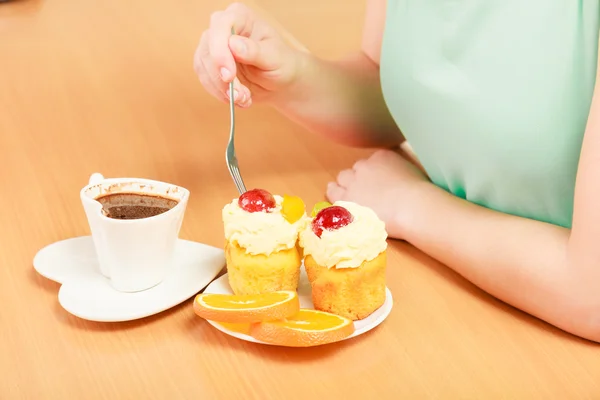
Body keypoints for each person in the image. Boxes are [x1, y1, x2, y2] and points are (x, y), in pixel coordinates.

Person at [194, 1, 600, 342]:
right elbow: (407, 95)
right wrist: (293, 77)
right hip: (453, 297)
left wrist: (413, 205)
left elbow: (591, 294)